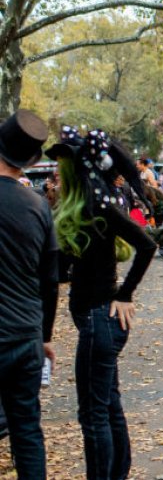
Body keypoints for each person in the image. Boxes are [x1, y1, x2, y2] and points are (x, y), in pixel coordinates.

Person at [49, 126, 156, 479]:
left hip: (99, 320)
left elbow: (147, 246)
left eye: (61, 166)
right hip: (96, 319)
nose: (55, 173)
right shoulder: (87, 208)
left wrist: (125, 293)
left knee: (94, 413)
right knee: (107, 405)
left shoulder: (102, 207)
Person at [0, 110, 57, 479]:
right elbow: (50, 280)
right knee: (26, 430)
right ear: (31, 161)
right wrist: (46, 336)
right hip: (26, 336)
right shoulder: (39, 207)